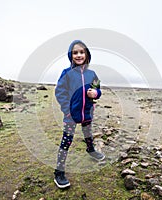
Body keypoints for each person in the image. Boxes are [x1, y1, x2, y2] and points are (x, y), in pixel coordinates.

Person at [54, 40, 105, 188]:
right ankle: (59, 171)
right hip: (71, 115)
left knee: (88, 133)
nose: (78, 55)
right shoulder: (67, 73)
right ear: (71, 56)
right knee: (66, 140)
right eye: (75, 52)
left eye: (81, 52)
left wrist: (96, 93)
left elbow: (98, 89)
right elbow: (60, 92)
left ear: (87, 54)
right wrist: (67, 110)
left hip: (87, 112)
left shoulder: (92, 74)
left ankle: (91, 149)